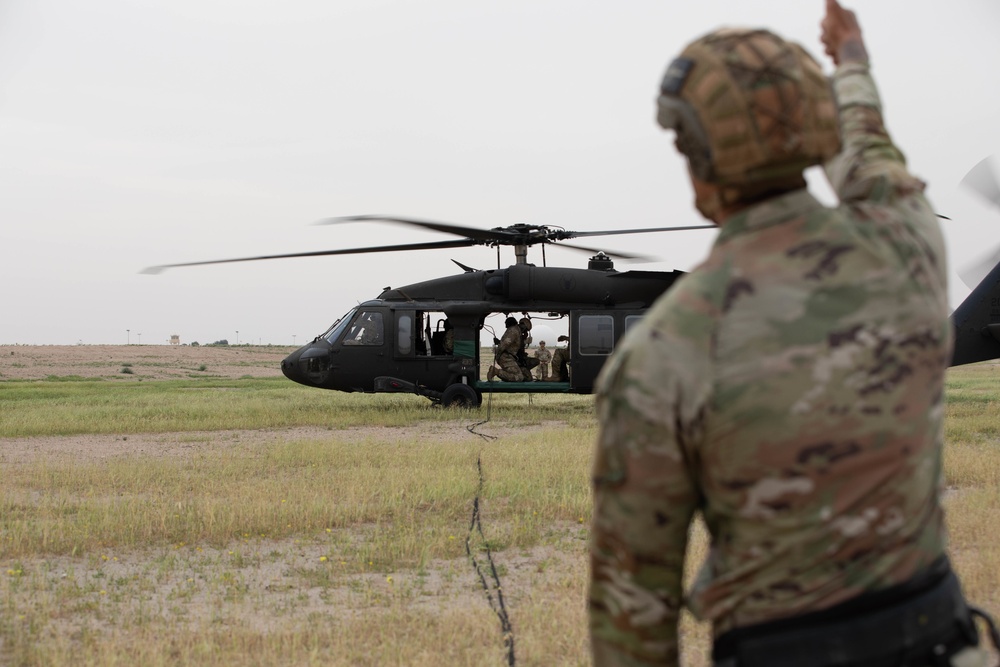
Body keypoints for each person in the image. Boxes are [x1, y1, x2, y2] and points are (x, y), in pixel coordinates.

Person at [589, 3, 995, 666]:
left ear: (697, 164)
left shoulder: (664, 350)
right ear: (816, 130)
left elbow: (632, 617)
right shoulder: (909, 242)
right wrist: (851, 61)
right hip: (941, 641)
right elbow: (868, 153)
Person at [488, 315, 535, 381]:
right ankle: (496, 371)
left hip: (510, 357)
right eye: (526, 330)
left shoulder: (517, 332)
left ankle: (505, 376)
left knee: (528, 377)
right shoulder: (514, 331)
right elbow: (504, 344)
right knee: (519, 377)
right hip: (506, 357)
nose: (525, 332)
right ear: (523, 326)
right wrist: (498, 356)